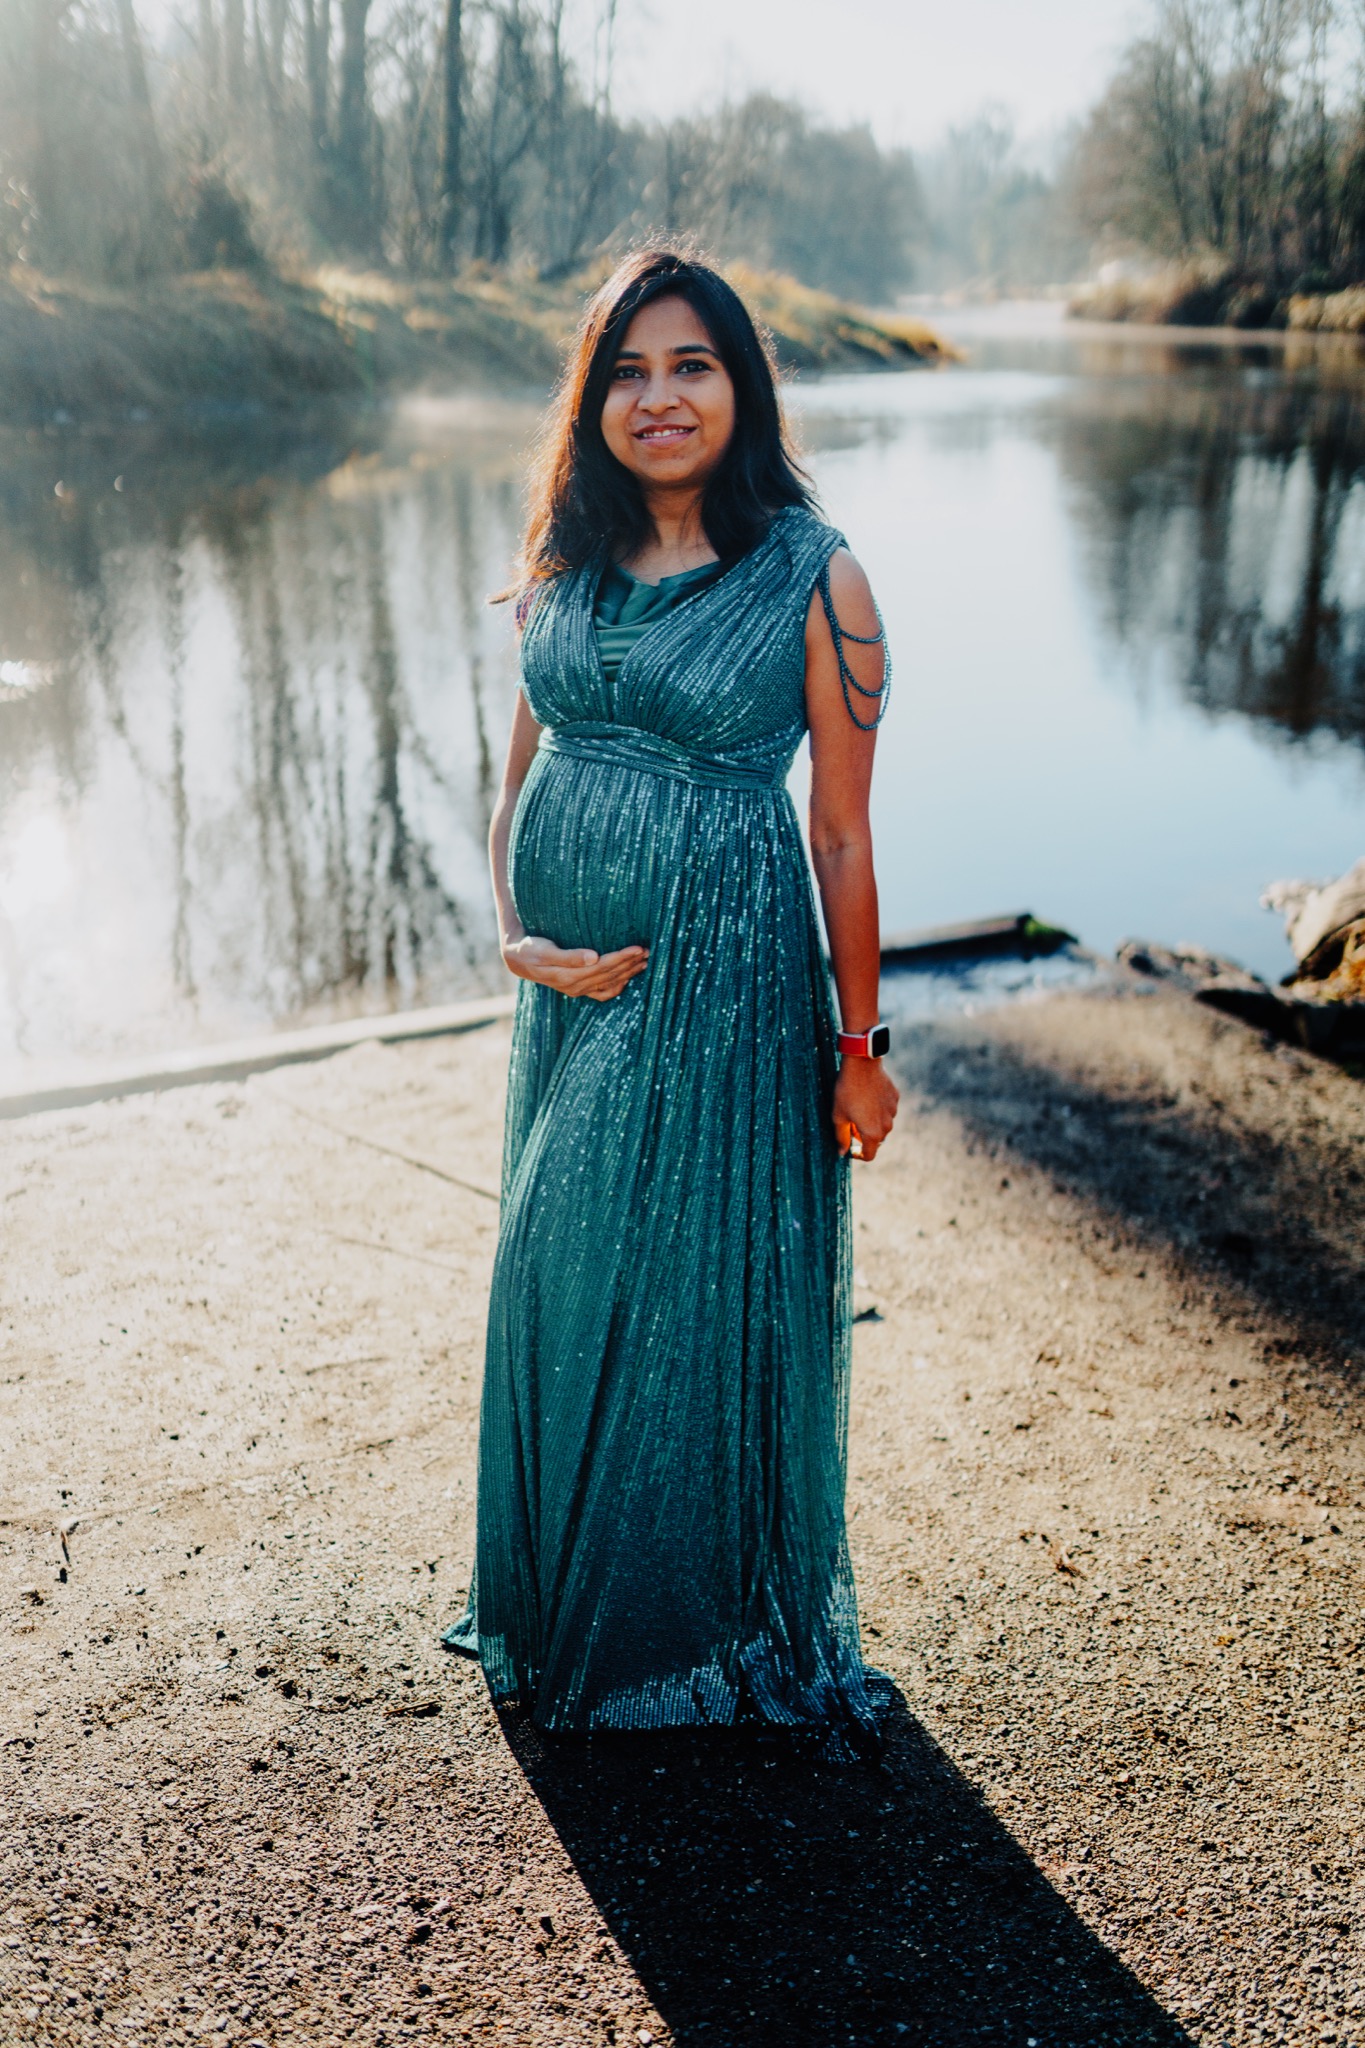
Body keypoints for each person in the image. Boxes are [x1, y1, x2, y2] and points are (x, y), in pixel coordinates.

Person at [443, 248, 899, 1758]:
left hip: (723, 980)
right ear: (594, 398)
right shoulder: (563, 558)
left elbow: (837, 830)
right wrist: (514, 931)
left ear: (739, 385)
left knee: (693, 1287)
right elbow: (519, 767)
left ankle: (683, 1630)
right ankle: (560, 1593)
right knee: (556, 1274)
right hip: (567, 993)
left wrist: (860, 1048)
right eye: (628, 370)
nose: (658, 397)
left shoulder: (815, 576)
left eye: (689, 364)